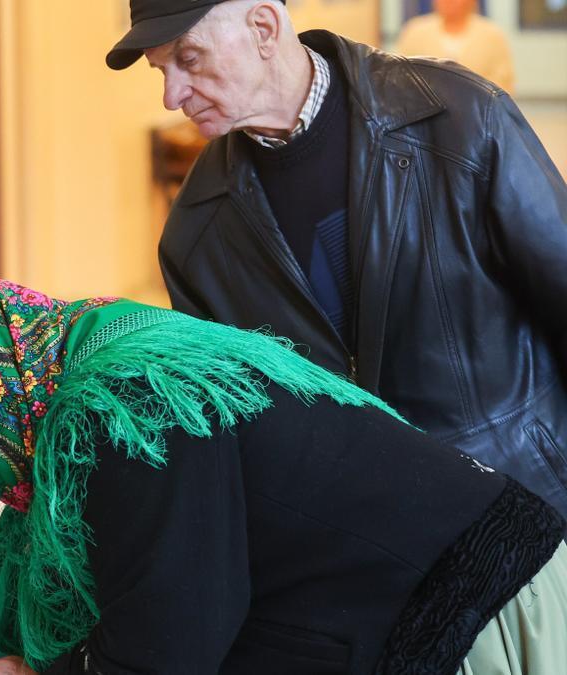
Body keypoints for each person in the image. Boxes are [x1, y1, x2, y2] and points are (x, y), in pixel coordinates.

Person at [0, 279, 567, 674]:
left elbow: (168, 645)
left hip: (472, 605)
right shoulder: (73, 363)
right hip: (431, 572)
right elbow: (117, 570)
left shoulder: (124, 409)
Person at [106, 0, 567, 518]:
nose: (172, 96)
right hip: (374, 558)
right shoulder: (195, 234)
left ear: (263, 27)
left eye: (188, 59)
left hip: (529, 513)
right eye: (161, 70)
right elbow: (241, 439)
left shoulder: (458, 116)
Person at [396, 0, 514, 93]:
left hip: (478, 114)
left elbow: (504, 82)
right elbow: (399, 75)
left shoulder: (492, 35)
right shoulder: (415, 31)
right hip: (425, 113)